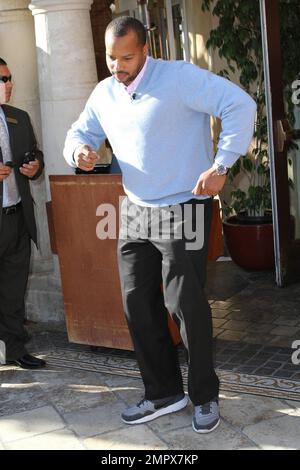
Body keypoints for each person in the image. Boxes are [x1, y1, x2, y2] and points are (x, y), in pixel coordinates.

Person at [64, 16, 256, 433]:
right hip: (134, 209)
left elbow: (240, 105)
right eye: (111, 57)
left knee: (184, 305)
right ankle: (163, 393)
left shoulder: (180, 78)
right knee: (137, 304)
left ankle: (204, 396)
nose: (117, 66)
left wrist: (222, 164)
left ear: (146, 49)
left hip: (182, 205)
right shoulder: (105, 92)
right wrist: (78, 148)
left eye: (126, 57)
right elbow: (81, 130)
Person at [0, 57, 46, 370]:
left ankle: (14, 349)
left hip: (18, 218)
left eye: (9, 77)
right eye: (2, 79)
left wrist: (35, 165)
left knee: (14, 290)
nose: (9, 84)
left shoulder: (19, 117)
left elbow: (34, 152)